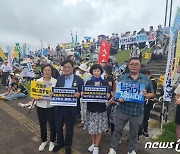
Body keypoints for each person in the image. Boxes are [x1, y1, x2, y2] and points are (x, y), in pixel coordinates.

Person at [108, 57, 154, 154]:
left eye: (136, 64)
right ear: (128, 66)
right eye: (131, 64)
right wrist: (117, 97)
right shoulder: (122, 77)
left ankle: (132, 150)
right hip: (122, 109)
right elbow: (117, 93)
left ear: (140, 66)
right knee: (117, 130)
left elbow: (152, 94)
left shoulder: (146, 79)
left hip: (137, 111)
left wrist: (146, 94)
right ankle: (112, 149)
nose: (134, 66)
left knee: (134, 133)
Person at [53, 59, 84, 154]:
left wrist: (80, 94)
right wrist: (53, 93)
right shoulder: (60, 78)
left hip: (71, 108)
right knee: (58, 126)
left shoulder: (79, 80)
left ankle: (68, 145)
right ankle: (60, 143)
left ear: (72, 68)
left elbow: (83, 92)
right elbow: (57, 91)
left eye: (68, 67)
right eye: (65, 67)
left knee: (69, 128)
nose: (66, 69)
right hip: (60, 107)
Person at [83, 64, 110, 154]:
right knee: (91, 129)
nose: (96, 73)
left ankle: (96, 146)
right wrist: (83, 94)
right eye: (94, 71)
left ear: (100, 72)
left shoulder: (105, 83)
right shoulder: (88, 83)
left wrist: (108, 95)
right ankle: (94, 143)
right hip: (91, 109)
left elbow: (109, 94)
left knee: (99, 129)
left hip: (101, 109)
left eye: (98, 71)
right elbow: (85, 94)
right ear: (92, 72)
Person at [35, 64, 57, 152]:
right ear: (42, 71)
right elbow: (34, 94)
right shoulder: (38, 81)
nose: (47, 72)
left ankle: (52, 141)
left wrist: (54, 94)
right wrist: (36, 97)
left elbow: (59, 94)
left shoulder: (55, 81)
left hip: (51, 106)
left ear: (51, 71)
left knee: (52, 125)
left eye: (49, 70)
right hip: (40, 106)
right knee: (42, 124)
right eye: (45, 70)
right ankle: (44, 141)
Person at [138, 67, 157, 139]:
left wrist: (145, 95)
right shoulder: (147, 80)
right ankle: (145, 132)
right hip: (144, 101)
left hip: (148, 102)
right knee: (145, 118)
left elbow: (153, 94)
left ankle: (139, 133)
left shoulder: (152, 81)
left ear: (147, 74)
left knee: (144, 117)